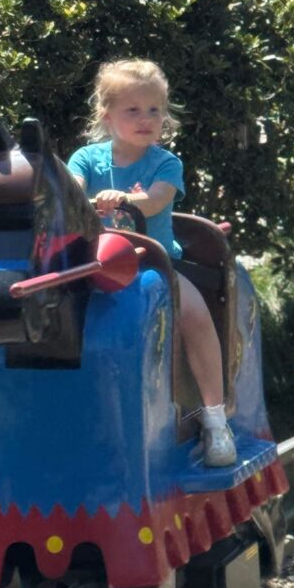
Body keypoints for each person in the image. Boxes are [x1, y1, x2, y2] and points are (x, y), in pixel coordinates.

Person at [67, 58, 236, 467]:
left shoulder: (165, 163)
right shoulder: (87, 160)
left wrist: (126, 200)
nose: (146, 119)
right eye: (133, 110)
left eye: (154, 110)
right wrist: (76, 198)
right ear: (107, 116)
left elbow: (159, 198)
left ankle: (215, 419)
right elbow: (70, 193)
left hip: (157, 265)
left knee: (194, 315)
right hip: (98, 265)